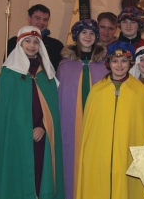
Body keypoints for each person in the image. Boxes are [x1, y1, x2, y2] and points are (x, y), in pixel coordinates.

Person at [76, 40, 144, 199]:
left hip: (128, 154)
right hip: (101, 155)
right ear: (109, 63)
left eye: (124, 61)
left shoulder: (140, 91)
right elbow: (89, 130)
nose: (119, 65)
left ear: (130, 63)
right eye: (115, 61)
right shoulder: (97, 90)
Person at [0, 26, 65, 199]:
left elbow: (53, 110)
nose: (32, 45)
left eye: (36, 42)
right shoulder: (8, 73)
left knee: (41, 173)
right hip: (17, 137)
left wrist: (43, 126)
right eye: (27, 41)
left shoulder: (47, 74)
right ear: (19, 44)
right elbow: (5, 111)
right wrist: (22, 129)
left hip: (41, 136)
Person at [57, 19, 108, 199]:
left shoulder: (105, 66)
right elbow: (60, 97)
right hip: (72, 125)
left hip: (98, 123)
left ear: (96, 37)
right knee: (73, 159)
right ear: (76, 35)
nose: (88, 37)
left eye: (92, 33)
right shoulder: (64, 66)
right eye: (84, 33)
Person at [5, 4, 64, 71]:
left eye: (45, 20)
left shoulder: (56, 45)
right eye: (37, 18)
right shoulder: (14, 42)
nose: (42, 22)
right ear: (29, 18)